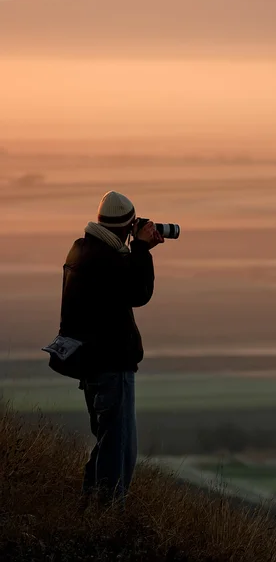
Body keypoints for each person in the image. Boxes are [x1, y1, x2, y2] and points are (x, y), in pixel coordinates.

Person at [59, 190, 164, 511]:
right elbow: (138, 291)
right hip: (111, 368)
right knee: (119, 451)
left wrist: (133, 249)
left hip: (94, 367)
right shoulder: (104, 260)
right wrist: (142, 249)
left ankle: (89, 511)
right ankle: (107, 518)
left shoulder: (83, 250)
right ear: (125, 228)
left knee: (108, 444)